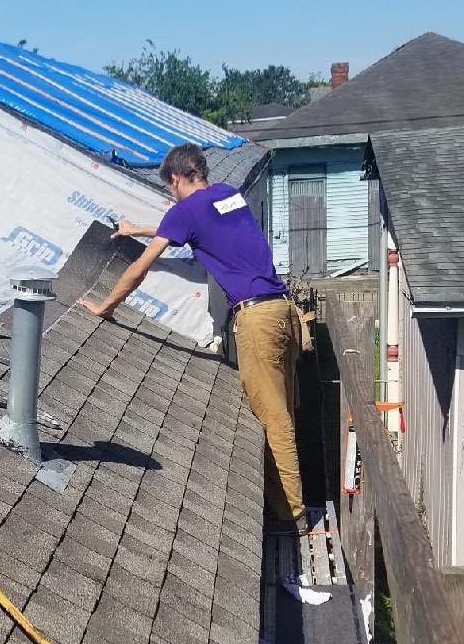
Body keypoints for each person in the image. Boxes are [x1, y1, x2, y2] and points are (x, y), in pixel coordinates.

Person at [77, 142, 305, 529]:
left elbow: (140, 268)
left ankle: (292, 517)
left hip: (257, 319)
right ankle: (286, 502)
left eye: (170, 188)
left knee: (273, 417)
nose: (172, 195)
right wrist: (138, 229)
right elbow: (198, 226)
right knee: (286, 408)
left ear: (177, 178)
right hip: (284, 310)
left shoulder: (186, 211)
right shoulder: (228, 195)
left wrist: (106, 306)